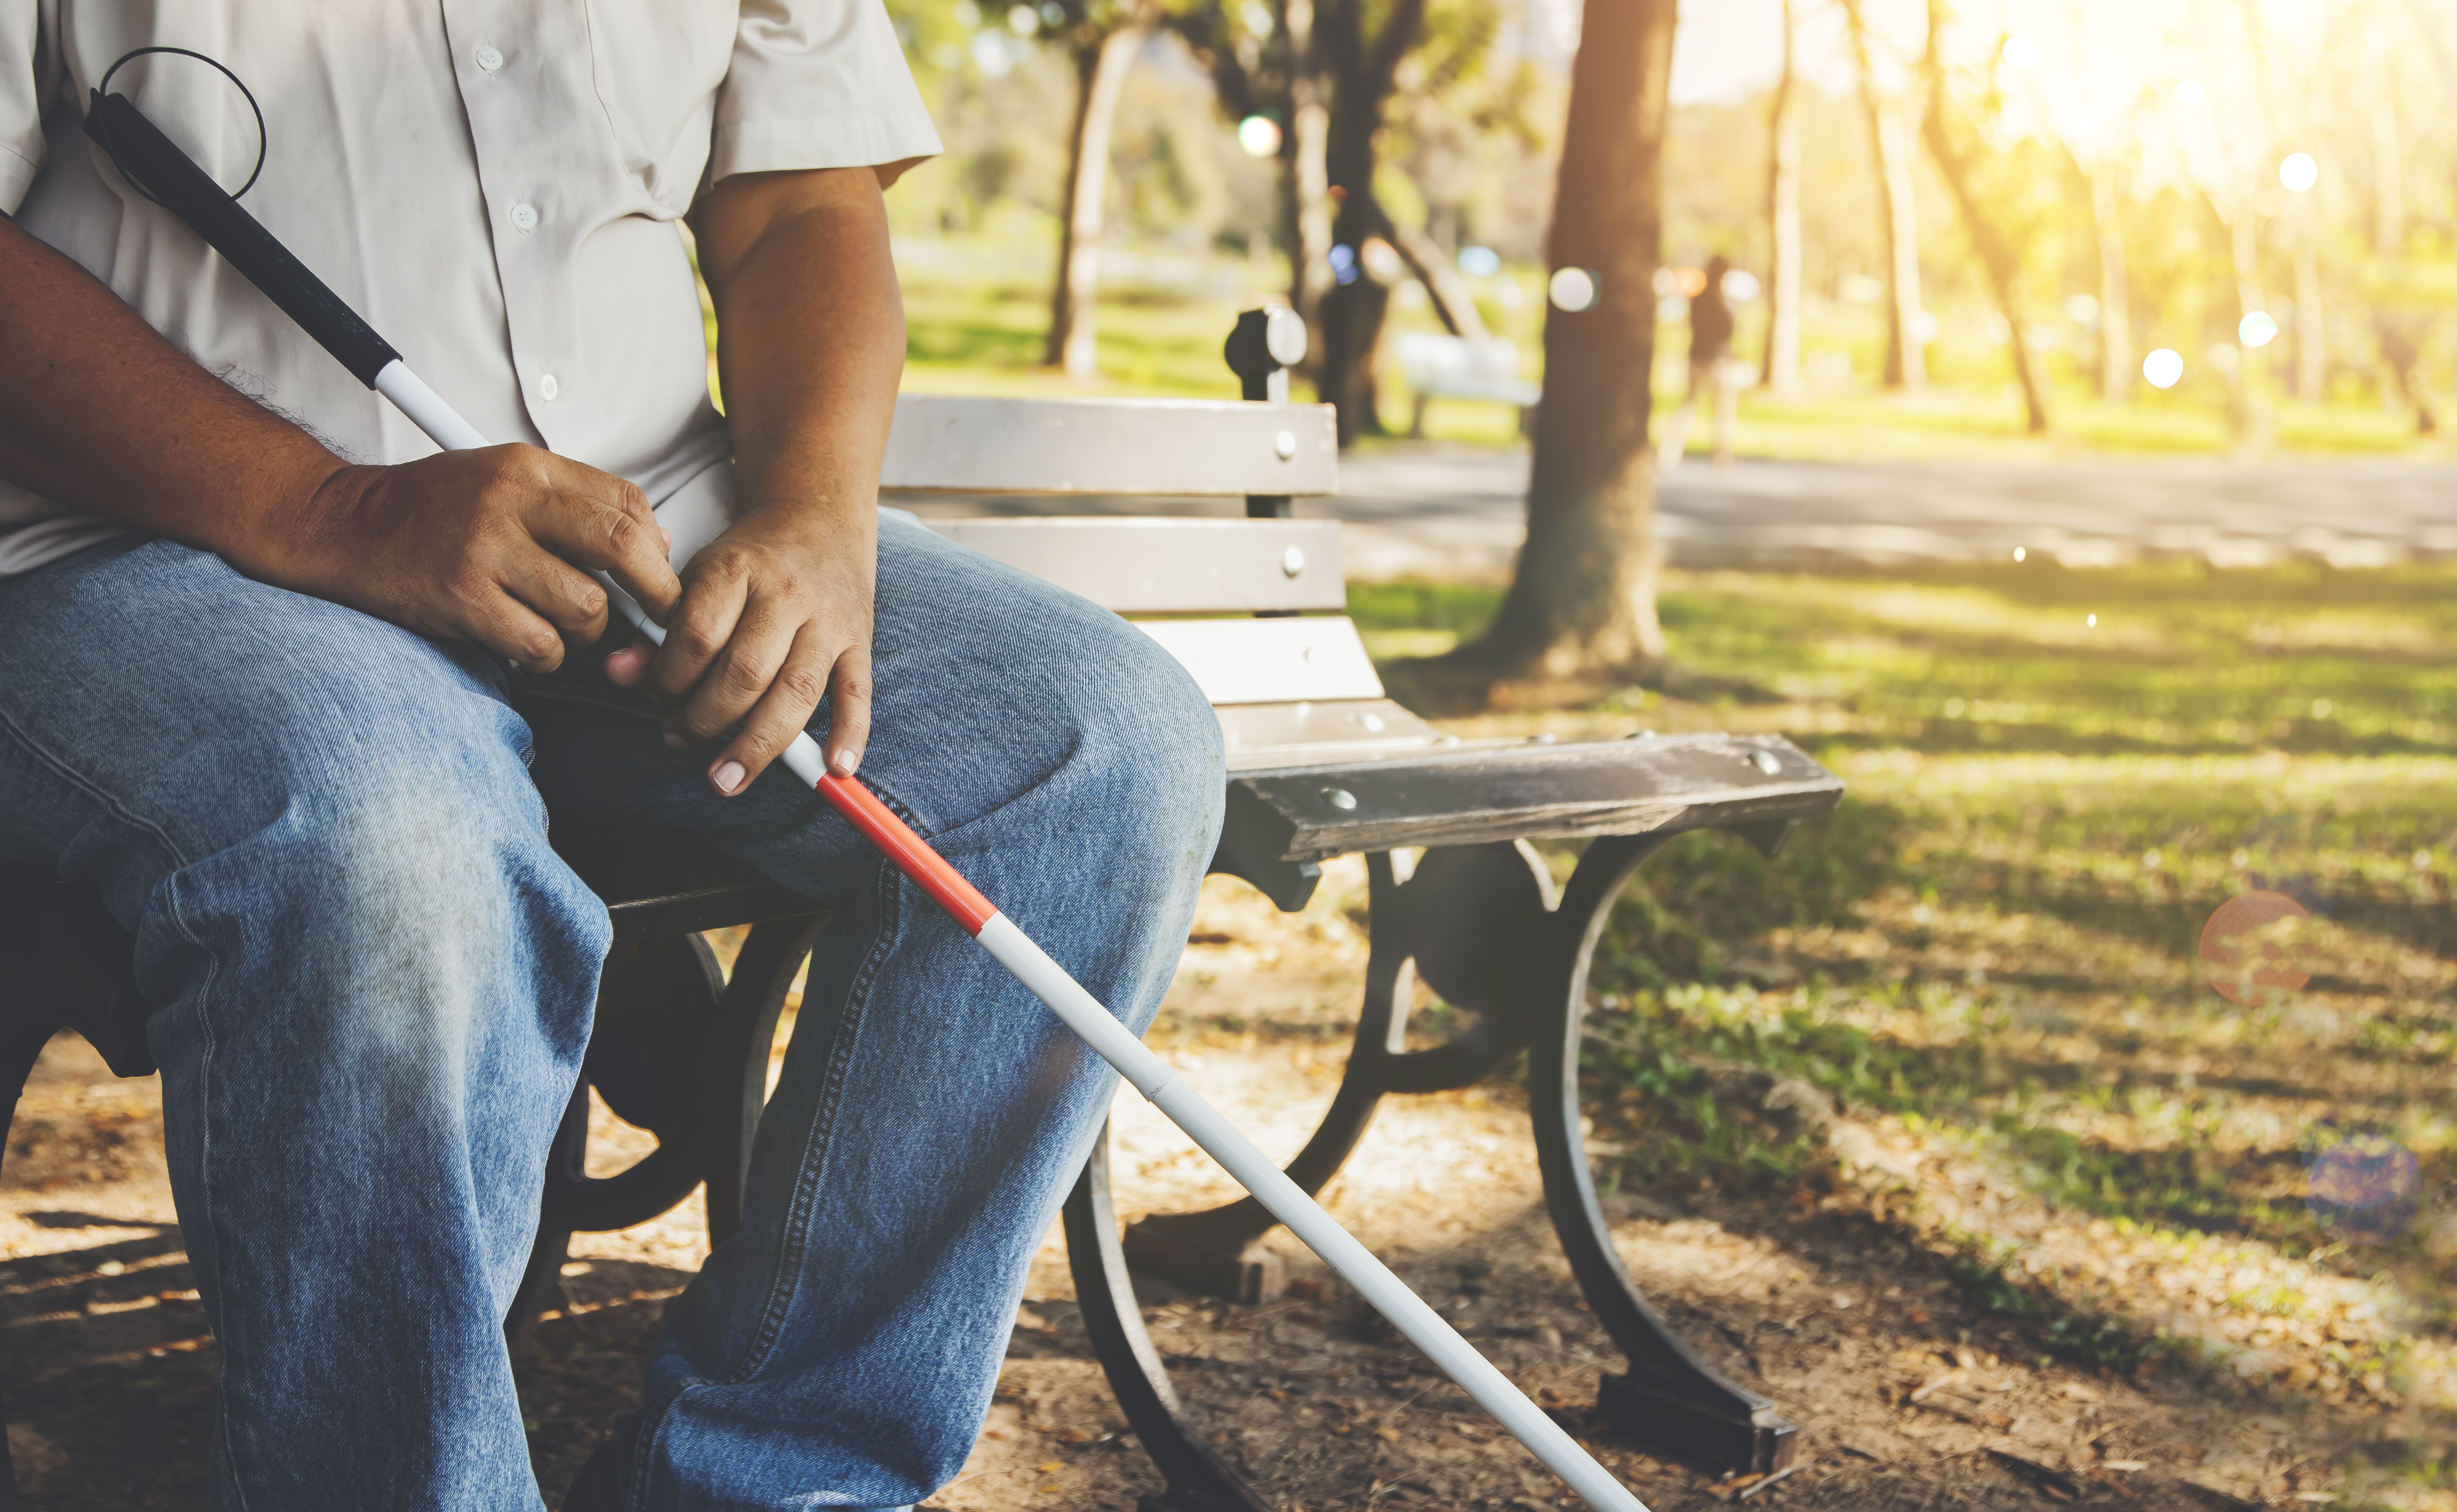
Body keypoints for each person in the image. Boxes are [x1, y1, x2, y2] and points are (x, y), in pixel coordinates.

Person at [0, 7, 1222, 1510]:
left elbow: (799, 197)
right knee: (386, 830)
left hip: (649, 527)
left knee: (1098, 749)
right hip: (170, 543)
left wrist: (816, 518)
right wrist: (330, 511)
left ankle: (775, 1486)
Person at [1656, 253, 1742, 469]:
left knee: (1690, 407)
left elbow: (1692, 326)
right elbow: (1728, 331)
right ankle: (1721, 458)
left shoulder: (1700, 300)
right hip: (1719, 361)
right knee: (1721, 412)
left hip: (1699, 358)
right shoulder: (1722, 302)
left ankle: (1670, 454)